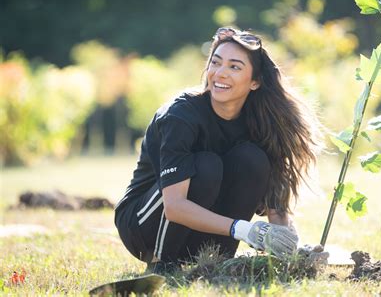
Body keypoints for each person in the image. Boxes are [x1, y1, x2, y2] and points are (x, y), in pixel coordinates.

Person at [114, 27, 325, 274]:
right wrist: (245, 230)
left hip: (201, 229)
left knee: (252, 159)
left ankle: (216, 261)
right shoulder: (180, 116)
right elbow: (174, 206)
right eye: (216, 63)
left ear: (255, 81)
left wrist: (291, 248)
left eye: (234, 67)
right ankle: (163, 264)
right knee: (207, 166)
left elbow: (275, 205)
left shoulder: (261, 123)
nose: (220, 73)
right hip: (143, 228)